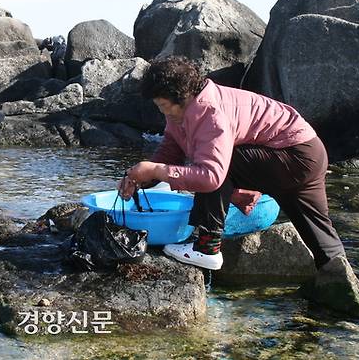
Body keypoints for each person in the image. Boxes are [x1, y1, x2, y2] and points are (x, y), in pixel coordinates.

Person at [119, 57, 346, 272]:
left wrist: (157, 170)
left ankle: (207, 248)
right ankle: (339, 278)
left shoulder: (210, 113)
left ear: (183, 96)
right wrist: (141, 177)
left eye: (164, 105)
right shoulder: (185, 107)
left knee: (217, 164)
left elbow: (211, 176)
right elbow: (172, 146)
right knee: (317, 228)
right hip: (310, 152)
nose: (163, 111)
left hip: (293, 156)